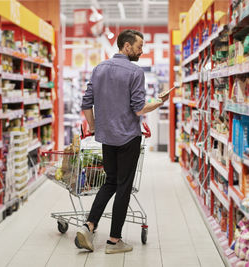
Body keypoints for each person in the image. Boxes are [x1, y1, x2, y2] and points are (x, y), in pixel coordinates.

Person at [77, 29, 169, 254]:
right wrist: (159, 101)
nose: (142, 50)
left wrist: (93, 127)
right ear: (126, 47)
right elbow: (139, 109)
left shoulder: (99, 69)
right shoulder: (135, 72)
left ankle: (89, 225)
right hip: (128, 138)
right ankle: (114, 241)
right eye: (139, 46)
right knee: (123, 187)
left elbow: (86, 103)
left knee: (109, 182)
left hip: (107, 138)